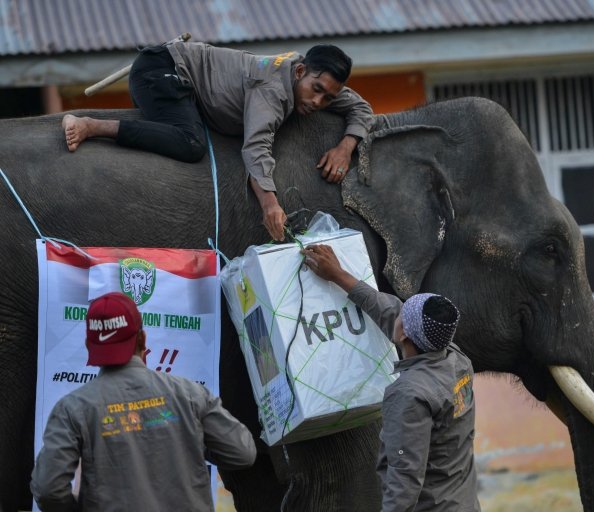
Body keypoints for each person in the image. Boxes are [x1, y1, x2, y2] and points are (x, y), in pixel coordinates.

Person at [62, 42, 375, 241]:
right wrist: (270, 203)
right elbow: (255, 147)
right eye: (316, 89)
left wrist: (345, 147)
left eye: (328, 97)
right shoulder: (273, 89)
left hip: (187, 85)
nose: (318, 101)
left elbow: (361, 107)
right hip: (162, 70)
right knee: (191, 142)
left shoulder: (308, 81)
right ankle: (91, 125)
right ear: (301, 70)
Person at [30, 292, 257, 511]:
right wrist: (191, 440)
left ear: (90, 346)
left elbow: (48, 489)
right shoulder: (190, 394)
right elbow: (242, 452)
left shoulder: (72, 409)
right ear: (142, 338)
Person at [301, 244, 480, 511]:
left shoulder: (410, 394)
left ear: (404, 333)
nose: (397, 313)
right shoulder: (455, 358)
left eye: (403, 314)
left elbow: (404, 481)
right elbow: (388, 310)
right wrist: (338, 275)